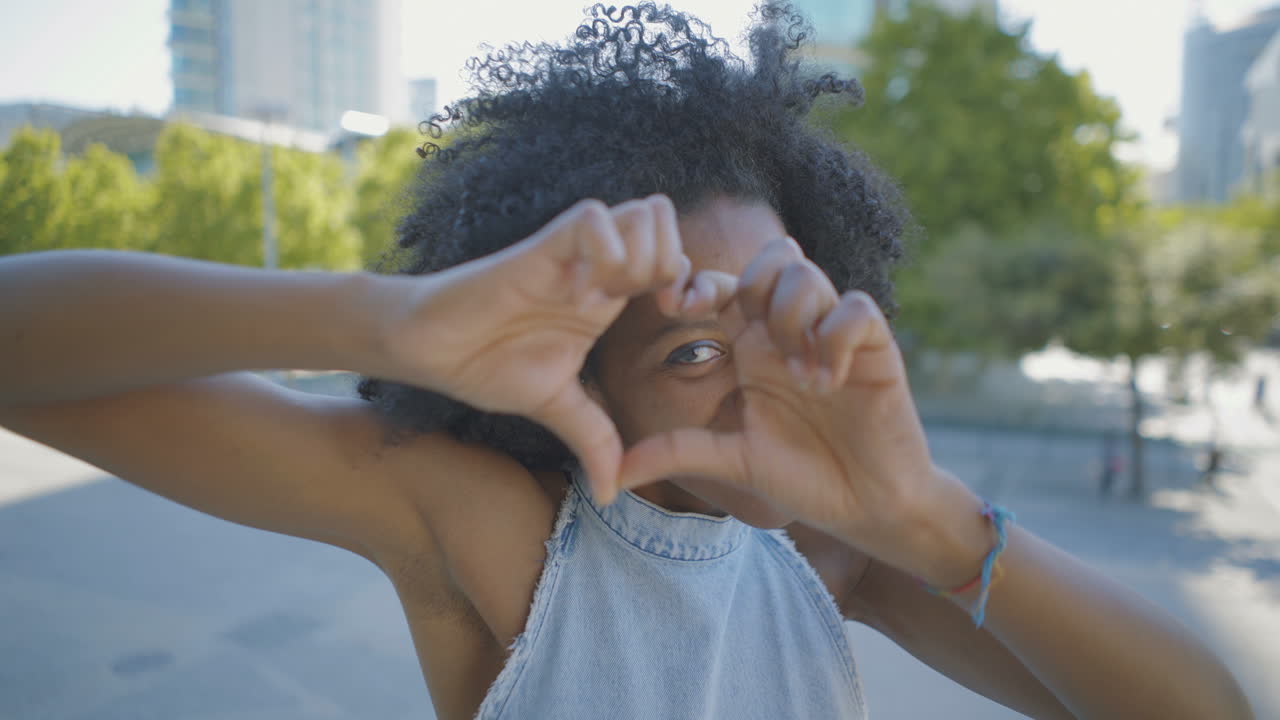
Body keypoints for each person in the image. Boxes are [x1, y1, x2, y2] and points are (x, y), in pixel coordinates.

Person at [0, 3, 1253, 719]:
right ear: (581, 385)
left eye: (782, 301)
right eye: (694, 347)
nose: (766, 376)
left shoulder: (842, 553)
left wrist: (927, 516)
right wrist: (385, 321)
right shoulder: (495, 528)